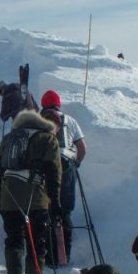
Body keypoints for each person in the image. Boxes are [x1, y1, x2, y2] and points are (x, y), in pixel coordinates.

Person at [0, 110, 61, 274]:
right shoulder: (48, 139)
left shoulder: (10, 138)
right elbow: (54, 174)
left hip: (9, 197)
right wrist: (55, 204)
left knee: (14, 240)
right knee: (36, 245)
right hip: (36, 199)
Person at [39, 89, 86, 264]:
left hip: (45, 167)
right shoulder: (71, 121)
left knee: (45, 210)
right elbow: (82, 149)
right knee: (65, 211)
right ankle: (64, 254)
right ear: (58, 104)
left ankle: (47, 254)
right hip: (67, 167)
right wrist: (76, 164)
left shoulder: (38, 119)